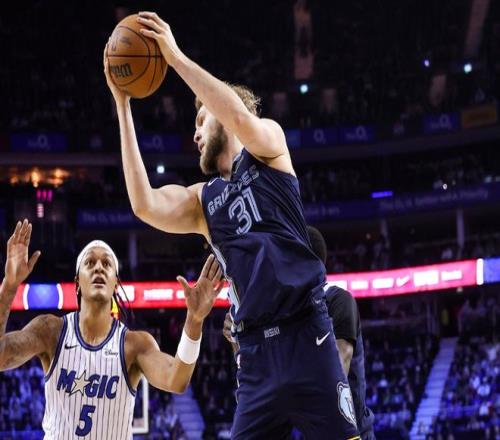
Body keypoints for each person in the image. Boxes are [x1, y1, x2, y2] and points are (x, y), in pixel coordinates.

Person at [104, 11, 359, 440]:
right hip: (256, 354)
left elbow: (239, 118)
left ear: (221, 113)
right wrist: (123, 103)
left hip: (307, 335)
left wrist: (175, 58)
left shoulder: (269, 148)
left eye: (200, 120)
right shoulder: (202, 201)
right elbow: (144, 204)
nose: (194, 135)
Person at [0, 219, 223, 439]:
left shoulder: (134, 345)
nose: (99, 267)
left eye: (107, 264)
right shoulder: (50, 330)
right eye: (90, 263)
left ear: (116, 283)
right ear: (77, 283)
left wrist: (194, 320)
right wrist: (9, 286)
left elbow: (177, 379)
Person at [224, 226, 376, 439]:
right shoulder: (281, 314)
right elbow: (256, 373)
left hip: (348, 425)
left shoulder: (337, 299)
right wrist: (238, 340)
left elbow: (339, 366)